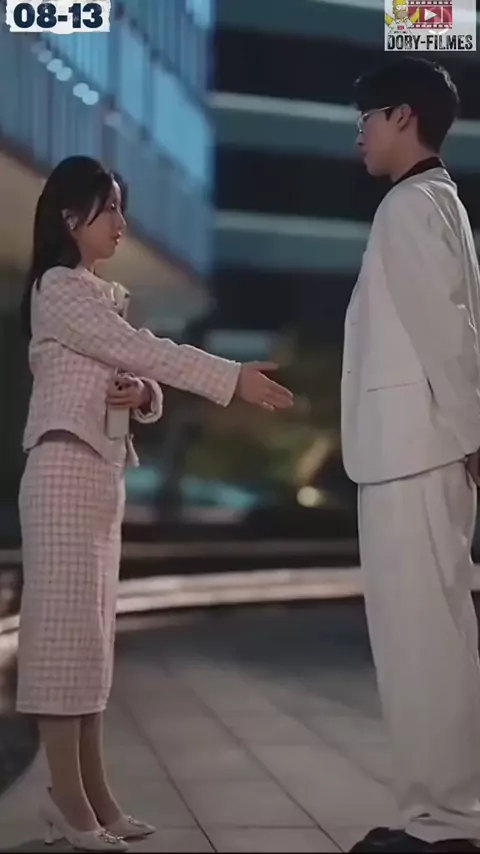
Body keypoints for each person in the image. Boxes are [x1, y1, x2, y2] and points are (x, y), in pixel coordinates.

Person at [17, 155, 294, 852]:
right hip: (62, 469)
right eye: (108, 207)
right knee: (61, 638)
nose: (121, 222)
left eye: (121, 207)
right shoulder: (59, 287)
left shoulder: (99, 296)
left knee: (90, 640)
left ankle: (94, 795)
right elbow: (137, 348)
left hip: (99, 472)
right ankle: (68, 801)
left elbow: (137, 371)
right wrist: (229, 378)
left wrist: (142, 394)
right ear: (69, 217)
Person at [342, 58, 480, 853]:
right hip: (422, 450)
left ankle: (445, 819)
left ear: (401, 116)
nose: (359, 135)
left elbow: (449, 338)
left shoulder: (408, 207)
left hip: (413, 454)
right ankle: (436, 809)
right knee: (431, 637)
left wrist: (473, 437)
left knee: (422, 641)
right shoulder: (438, 201)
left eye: (365, 119)